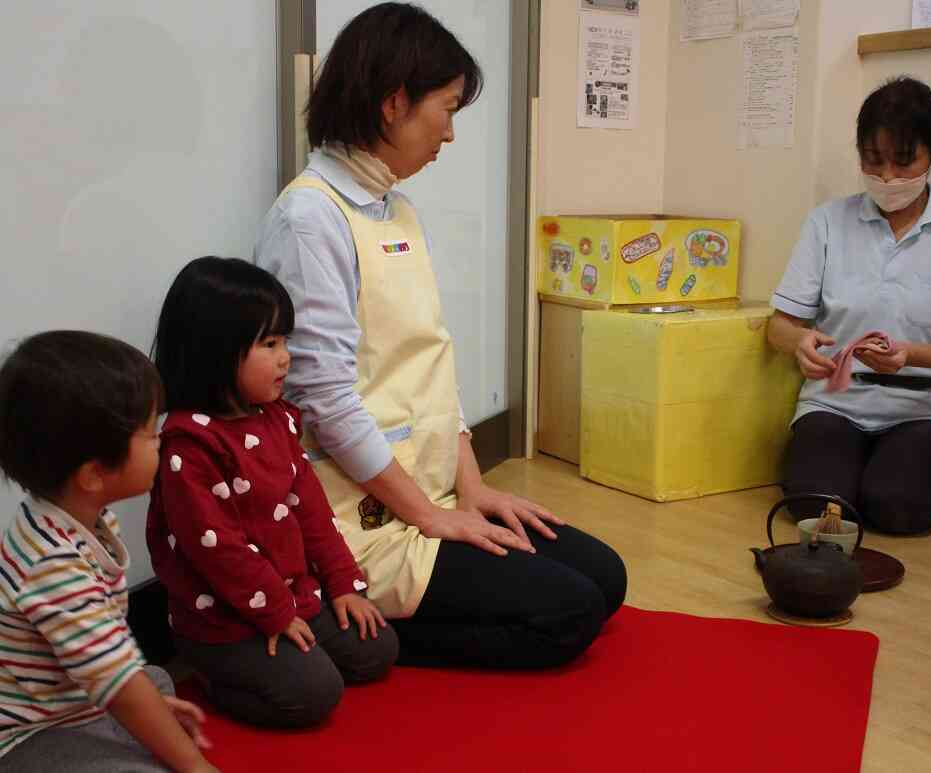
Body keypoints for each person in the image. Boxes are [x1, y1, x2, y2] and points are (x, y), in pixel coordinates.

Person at [254, 2, 626, 669]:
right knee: (567, 614)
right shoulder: (310, 217)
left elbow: (431, 358)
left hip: (432, 488)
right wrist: (427, 515)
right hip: (363, 518)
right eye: (446, 109)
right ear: (394, 103)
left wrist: (472, 489)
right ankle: (345, 620)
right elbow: (325, 400)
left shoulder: (397, 208)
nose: (449, 133)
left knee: (605, 578)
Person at [148, 257, 398, 729]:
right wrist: (278, 614)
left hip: (292, 597)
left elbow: (312, 511)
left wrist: (343, 583)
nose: (286, 356)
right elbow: (220, 553)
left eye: (284, 340)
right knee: (315, 695)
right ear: (216, 351)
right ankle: (213, 676)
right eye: (269, 344)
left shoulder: (276, 417)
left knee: (377, 649)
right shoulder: (189, 445)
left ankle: (297, 645)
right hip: (225, 621)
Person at [768, 76, 931, 535]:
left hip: (927, 408)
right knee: (816, 507)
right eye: (873, 160)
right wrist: (798, 341)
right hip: (837, 400)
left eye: (905, 162)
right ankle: (854, 473)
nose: (887, 177)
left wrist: (913, 355)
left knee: (895, 508)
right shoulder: (827, 221)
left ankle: (915, 482)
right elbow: (779, 325)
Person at [0, 331, 216, 772]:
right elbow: (117, 684)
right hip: (27, 733)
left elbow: (110, 660)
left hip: (73, 700)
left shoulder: (85, 517)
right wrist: (196, 767)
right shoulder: (52, 564)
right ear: (95, 474)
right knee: (139, 711)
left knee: (152, 680)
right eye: (152, 434)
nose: (162, 442)